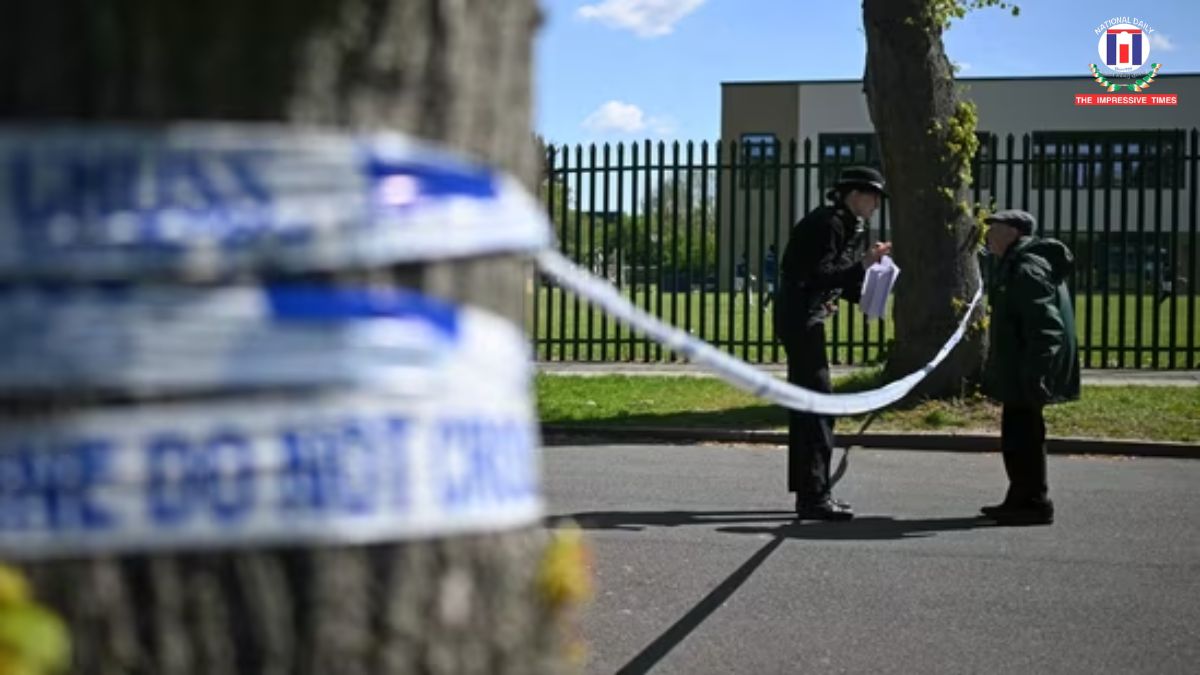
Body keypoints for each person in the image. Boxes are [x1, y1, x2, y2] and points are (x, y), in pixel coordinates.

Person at [775, 166, 891, 521]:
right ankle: (814, 496)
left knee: (810, 405)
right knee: (817, 406)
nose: (876, 206)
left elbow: (833, 277)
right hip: (801, 318)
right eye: (873, 197)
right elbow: (819, 274)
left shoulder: (842, 223)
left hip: (803, 315)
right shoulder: (829, 224)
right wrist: (865, 264)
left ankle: (810, 490)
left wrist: (870, 286)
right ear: (854, 194)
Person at [981, 209, 1080, 526]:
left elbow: (1046, 326)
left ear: (1014, 232)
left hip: (1028, 368)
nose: (988, 235)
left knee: (1024, 436)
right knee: (1017, 435)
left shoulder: (1027, 268)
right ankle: (1020, 498)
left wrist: (1037, 371)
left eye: (994, 228)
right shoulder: (1016, 264)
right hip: (1021, 367)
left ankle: (1034, 503)